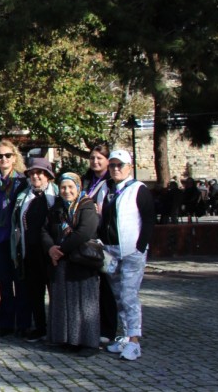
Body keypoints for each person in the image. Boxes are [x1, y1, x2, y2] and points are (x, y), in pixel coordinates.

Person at [99, 149, 155, 361]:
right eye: (112, 165)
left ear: (129, 167)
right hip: (110, 251)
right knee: (118, 296)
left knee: (129, 296)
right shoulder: (106, 188)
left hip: (131, 251)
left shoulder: (138, 189)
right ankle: (125, 335)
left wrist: (140, 247)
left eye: (119, 165)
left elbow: (148, 219)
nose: (116, 169)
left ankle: (134, 340)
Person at [44, 173, 101, 357]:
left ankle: (88, 343)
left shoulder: (87, 205)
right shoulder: (57, 207)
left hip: (81, 261)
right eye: (63, 187)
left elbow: (85, 232)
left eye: (70, 187)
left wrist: (61, 250)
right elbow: (44, 230)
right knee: (64, 301)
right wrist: (50, 248)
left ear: (78, 187)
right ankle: (67, 339)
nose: (66, 191)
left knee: (84, 304)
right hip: (62, 262)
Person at [0, 140, 29, 337]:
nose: (4, 159)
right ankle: (6, 323)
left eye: (8, 155)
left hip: (15, 240)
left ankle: (23, 323)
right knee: (4, 284)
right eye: (0, 156)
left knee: (20, 283)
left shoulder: (23, 181)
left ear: (14, 157)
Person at [12, 157, 58, 343]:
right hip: (29, 252)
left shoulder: (56, 194)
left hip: (52, 253)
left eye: (40, 173)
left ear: (47, 175)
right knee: (35, 294)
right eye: (32, 173)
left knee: (55, 293)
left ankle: (57, 329)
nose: (36, 176)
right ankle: (40, 327)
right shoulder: (24, 196)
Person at [81, 142, 118, 344]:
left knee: (107, 286)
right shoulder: (86, 180)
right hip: (87, 238)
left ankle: (108, 328)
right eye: (92, 158)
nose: (95, 162)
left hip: (105, 240)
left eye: (99, 158)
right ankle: (92, 325)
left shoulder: (111, 182)